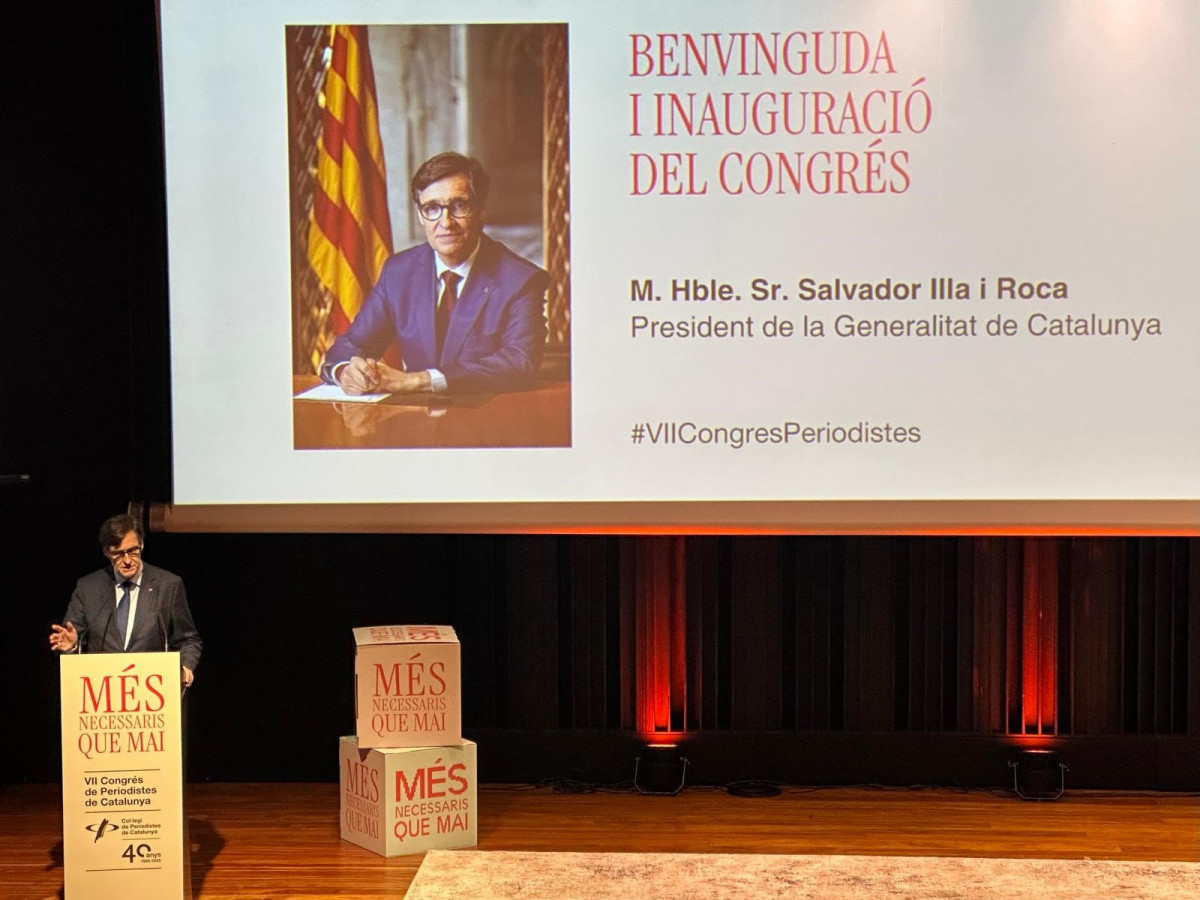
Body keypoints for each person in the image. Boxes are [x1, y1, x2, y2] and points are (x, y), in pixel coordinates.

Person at [322, 151, 549, 395]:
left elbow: (520, 362)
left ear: (481, 210)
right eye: (431, 208)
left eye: (459, 206)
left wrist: (418, 381)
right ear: (421, 215)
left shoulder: (521, 280)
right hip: (417, 415)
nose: (446, 222)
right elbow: (351, 345)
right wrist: (346, 371)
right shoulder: (399, 272)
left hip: (487, 414)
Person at [49, 514, 202, 687]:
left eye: (133, 551)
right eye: (118, 554)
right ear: (107, 552)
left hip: (153, 690)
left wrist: (185, 667)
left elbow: (189, 639)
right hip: (102, 690)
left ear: (142, 545)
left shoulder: (168, 585)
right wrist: (70, 647)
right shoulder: (88, 588)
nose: (127, 560)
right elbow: (71, 639)